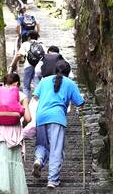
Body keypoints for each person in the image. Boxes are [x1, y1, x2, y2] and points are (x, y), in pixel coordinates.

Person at [32, 61, 85, 189]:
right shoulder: (70, 84)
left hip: (41, 116)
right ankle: (52, 180)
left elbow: (35, 96)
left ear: (55, 70)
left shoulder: (44, 81)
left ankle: (39, 160)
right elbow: (80, 102)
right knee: (56, 149)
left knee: (41, 143)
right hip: (57, 118)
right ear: (68, 72)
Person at [10, 30, 43, 99]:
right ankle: (38, 103)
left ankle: (26, 103)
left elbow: (19, 55)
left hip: (28, 66)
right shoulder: (41, 45)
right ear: (37, 37)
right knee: (37, 84)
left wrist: (13, 64)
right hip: (39, 67)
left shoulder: (25, 44)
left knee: (26, 86)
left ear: (29, 37)